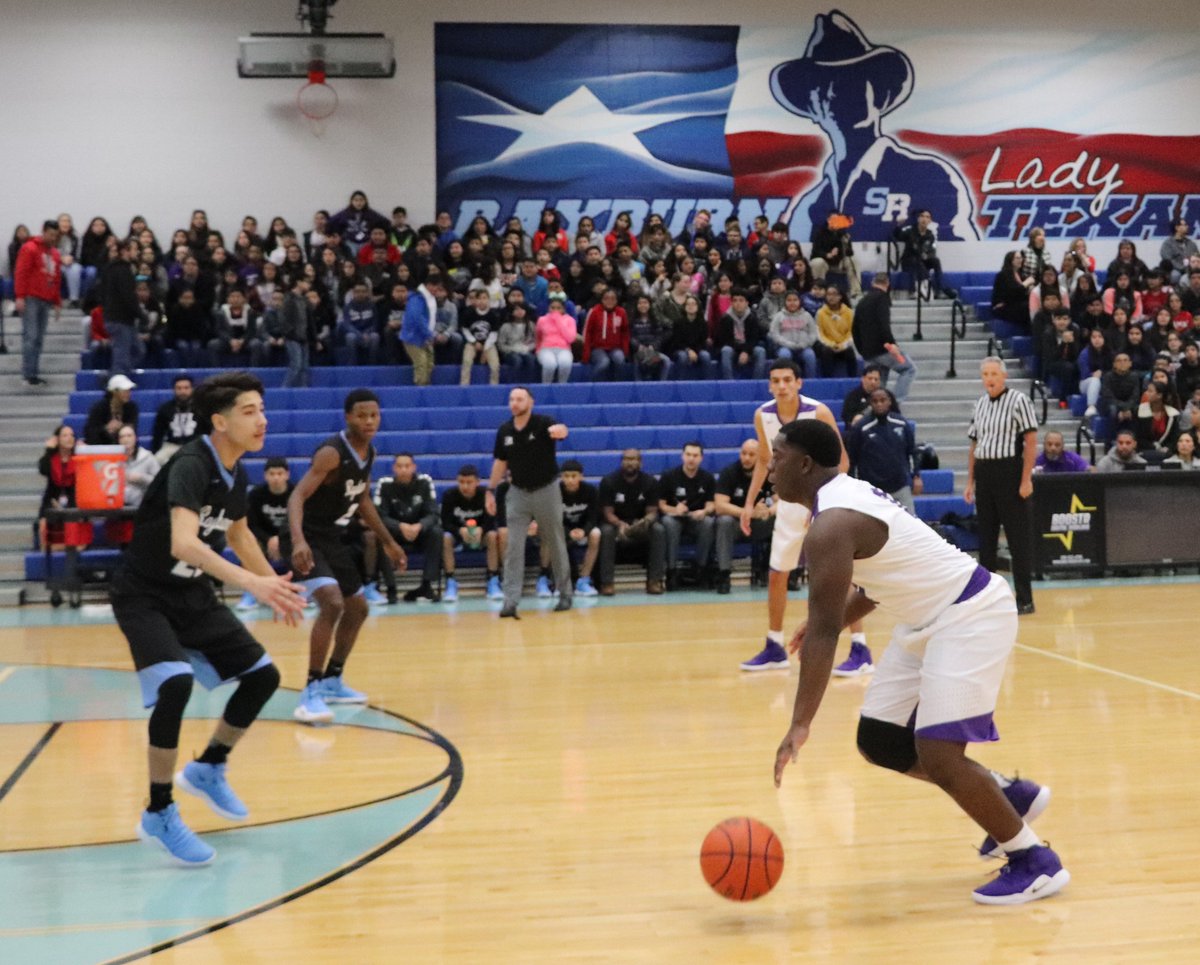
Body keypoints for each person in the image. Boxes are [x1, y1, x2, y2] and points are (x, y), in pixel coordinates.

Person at [768, 418, 1068, 906]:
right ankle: (1008, 796)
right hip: (926, 618)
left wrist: (800, 724)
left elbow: (823, 632)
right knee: (882, 739)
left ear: (804, 464)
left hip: (969, 612)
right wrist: (835, 621)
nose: (769, 467)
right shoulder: (843, 500)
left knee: (939, 754)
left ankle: (1034, 861)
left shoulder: (833, 522)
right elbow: (879, 581)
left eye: (777, 457)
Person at [110, 372, 305, 866]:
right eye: (249, 412)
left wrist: (275, 586)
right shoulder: (192, 464)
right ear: (219, 421)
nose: (262, 420)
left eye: (262, 410)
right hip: (144, 594)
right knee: (175, 683)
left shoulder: (236, 471)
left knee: (263, 676)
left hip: (190, 593)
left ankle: (209, 767)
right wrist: (252, 584)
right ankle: (159, 811)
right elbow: (183, 542)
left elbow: (238, 535)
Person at [771, 12, 977, 241]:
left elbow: (958, 247)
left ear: (879, 95)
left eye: (851, 83)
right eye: (823, 87)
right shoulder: (810, 204)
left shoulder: (929, 174)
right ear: (814, 106)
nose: (835, 94)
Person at [738, 360, 870, 675]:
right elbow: (764, 461)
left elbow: (842, 462)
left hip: (824, 503)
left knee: (840, 575)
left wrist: (822, 505)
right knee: (777, 573)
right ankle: (774, 646)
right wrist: (749, 502)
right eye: (775, 380)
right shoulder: (762, 415)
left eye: (787, 380)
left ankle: (860, 648)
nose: (781, 385)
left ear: (799, 383)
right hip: (789, 503)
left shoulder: (818, 412)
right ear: (769, 385)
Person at [288, 389, 407, 725]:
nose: (369, 421)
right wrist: (297, 541)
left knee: (358, 607)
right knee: (332, 602)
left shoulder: (369, 452)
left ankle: (332, 680)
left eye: (374, 415)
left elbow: (363, 501)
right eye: (362, 415)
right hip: (305, 537)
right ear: (348, 417)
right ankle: (310, 691)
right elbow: (297, 496)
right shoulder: (331, 453)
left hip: (330, 537)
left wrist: (389, 542)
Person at [485, 387, 572, 618]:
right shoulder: (505, 430)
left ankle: (565, 593)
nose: (514, 403)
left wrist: (562, 431)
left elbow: (562, 430)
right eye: (511, 399)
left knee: (555, 542)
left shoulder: (543, 423)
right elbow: (500, 462)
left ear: (530, 402)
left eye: (520, 399)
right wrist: (490, 490)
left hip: (546, 490)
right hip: (517, 492)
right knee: (513, 547)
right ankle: (510, 601)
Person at [964, 358, 1038, 615]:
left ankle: (1025, 599)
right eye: (985, 374)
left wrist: (1026, 479)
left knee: (1018, 540)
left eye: (994, 373)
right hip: (985, 473)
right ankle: (988, 599)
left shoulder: (1019, 400)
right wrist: (970, 481)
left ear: (1004, 376)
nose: (989, 378)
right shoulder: (980, 404)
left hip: (1009, 472)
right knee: (986, 539)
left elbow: (1031, 441)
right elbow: (974, 445)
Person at [372, 453, 442, 603]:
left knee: (436, 532)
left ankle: (427, 585)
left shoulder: (425, 482)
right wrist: (399, 526)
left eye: (407, 466)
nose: (403, 470)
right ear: (394, 468)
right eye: (399, 466)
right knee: (379, 535)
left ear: (414, 467)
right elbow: (380, 516)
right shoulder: (384, 484)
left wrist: (420, 526)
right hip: (394, 533)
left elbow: (433, 513)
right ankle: (391, 588)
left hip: (418, 532)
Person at [596, 449, 666, 595]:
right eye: (626, 459)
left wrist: (643, 522)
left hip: (640, 524)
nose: (630, 462)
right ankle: (607, 583)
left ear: (640, 462)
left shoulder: (650, 482)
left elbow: (652, 512)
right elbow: (607, 513)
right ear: (622, 462)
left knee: (658, 529)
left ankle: (654, 581)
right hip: (615, 524)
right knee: (606, 531)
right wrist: (620, 524)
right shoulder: (609, 481)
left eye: (634, 459)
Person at [714, 438, 775, 593]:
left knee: (783, 518)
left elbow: (783, 501)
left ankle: (782, 572)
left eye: (751, 454)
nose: (746, 458)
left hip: (760, 524)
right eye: (743, 453)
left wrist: (768, 511)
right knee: (724, 521)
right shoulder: (729, 472)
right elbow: (720, 506)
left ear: (760, 456)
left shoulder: (769, 473)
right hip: (737, 525)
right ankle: (724, 575)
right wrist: (749, 513)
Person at [845, 389, 922, 512]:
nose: (879, 404)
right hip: (872, 490)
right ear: (870, 403)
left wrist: (916, 476)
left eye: (882, 400)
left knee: (909, 521)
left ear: (889, 401)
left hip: (900, 487)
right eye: (875, 401)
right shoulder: (861, 428)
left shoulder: (901, 423)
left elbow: (912, 451)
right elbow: (852, 459)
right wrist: (853, 485)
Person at [658, 442, 717, 590]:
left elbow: (712, 504)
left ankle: (701, 569)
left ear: (701, 458)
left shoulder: (708, 478)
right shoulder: (669, 476)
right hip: (675, 517)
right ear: (682, 456)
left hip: (696, 518)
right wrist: (675, 509)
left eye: (695, 455)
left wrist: (704, 512)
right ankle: (671, 571)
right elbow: (661, 505)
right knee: (669, 523)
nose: (691, 459)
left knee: (708, 523)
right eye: (688, 455)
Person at [240, 456, 295, 609]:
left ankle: (304, 589)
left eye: (280, 473)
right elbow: (251, 525)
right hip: (264, 538)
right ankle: (250, 593)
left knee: (306, 544)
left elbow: (300, 523)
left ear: (287, 475)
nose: (276, 477)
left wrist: (281, 539)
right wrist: (269, 539)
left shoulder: (295, 493)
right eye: (272, 474)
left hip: (289, 538)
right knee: (247, 544)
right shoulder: (255, 495)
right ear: (265, 476)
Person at [440, 464, 499, 603]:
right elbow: (445, 523)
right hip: (458, 535)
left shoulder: (485, 495)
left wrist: (481, 529)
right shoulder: (449, 495)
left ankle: (493, 579)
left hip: (480, 535)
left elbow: (492, 520)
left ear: (477, 482)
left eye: (469, 482)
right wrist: (459, 530)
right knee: (446, 538)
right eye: (461, 482)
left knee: (492, 536)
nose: (465, 486)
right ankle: (450, 581)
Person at [853, 273, 916, 401]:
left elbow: (854, 329)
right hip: (883, 349)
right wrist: (892, 344)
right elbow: (884, 324)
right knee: (908, 369)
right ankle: (895, 403)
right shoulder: (882, 298)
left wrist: (862, 350)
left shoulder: (862, 301)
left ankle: (875, 407)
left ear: (872, 283)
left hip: (868, 351)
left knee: (878, 384)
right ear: (887, 284)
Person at [14, 219, 62, 387]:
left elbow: (56, 278)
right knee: (31, 336)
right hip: (31, 297)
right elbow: (21, 272)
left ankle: (34, 373)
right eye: (51, 234)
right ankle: (28, 373)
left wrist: (57, 301)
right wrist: (20, 296)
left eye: (56, 236)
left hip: (46, 299)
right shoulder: (30, 248)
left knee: (39, 338)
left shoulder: (55, 254)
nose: (53, 238)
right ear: (43, 231)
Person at [543, 459, 600, 597]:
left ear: (581, 476)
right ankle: (560, 582)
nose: (570, 480)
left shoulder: (591, 491)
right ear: (561, 477)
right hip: (563, 528)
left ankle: (583, 580)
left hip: (583, 528)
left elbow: (594, 517)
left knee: (596, 534)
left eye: (574, 476)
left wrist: (584, 531)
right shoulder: (554, 492)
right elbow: (553, 519)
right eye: (566, 476)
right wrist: (568, 532)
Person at [102, 237, 142, 378]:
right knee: (122, 355)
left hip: (122, 318)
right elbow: (128, 296)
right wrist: (140, 314)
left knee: (138, 350)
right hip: (119, 319)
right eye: (135, 249)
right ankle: (116, 380)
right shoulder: (121, 270)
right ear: (125, 251)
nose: (137, 252)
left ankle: (117, 376)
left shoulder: (115, 268)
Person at [893, 209, 953, 298]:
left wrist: (927, 255)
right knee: (915, 261)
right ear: (918, 219)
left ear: (930, 221)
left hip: (923, 261)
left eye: (927, 217)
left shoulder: (930, 235)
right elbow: (898, 236)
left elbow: (932, 250)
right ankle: (918, 290)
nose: (924, 219)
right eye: (922, 216)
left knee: (936, 261)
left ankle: (940, 290)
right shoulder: (910, 231)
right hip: (909, 261)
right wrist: (898, 225)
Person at [38, 424, 78, 551]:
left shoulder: (79, 458)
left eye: (72, 435)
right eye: (65, 435)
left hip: (74, 504)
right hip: (51, 502)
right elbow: (43, 470)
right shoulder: (51, 458)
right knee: (44, 523)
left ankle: (68, 548)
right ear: (57, 439)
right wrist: (48, 450)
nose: (69, 438)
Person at [808, 210, 862, 298]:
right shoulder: (820, 233)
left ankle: (856, 292)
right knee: (817, 262)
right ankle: (819, 291)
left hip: (839, 263)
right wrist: (827, 255)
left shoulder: (843, 233)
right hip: (824, 262)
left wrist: (846, 244)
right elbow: (815, 251)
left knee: (853, 260)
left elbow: (850, 253)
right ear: (828, 220)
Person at [582, 288, 629, 381]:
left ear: (616, 300)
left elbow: (625, 333)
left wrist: (625, 351)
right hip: (597, 348)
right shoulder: (594, 311)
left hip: (615, 348)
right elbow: (587, 333)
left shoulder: (621, 312)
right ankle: (592, 384)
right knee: (604, 363)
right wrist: (586, 354)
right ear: (602, 299)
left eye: (612, 298)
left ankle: (616, 385)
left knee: (620, 359)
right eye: (606, 298)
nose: (609, 301)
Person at [151, 375, 200, 464]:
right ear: (174, 390)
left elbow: (207, 431)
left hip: (195, 445)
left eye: (186, 388)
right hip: (172, 445)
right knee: (157, 460)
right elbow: (158, 434)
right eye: (179, 388)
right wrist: (155, 451)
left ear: (192, 389)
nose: (183, 391)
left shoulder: (200, 407)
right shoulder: (165, 408)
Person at [84, 374, 139, 446]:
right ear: (114, 392)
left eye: (129, 390)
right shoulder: (99, 408)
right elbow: (90, 432)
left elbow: (133, 427)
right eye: (124, 391)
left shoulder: (131, 408)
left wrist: (122, 427)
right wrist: (105, 429)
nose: (128, 393)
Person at [535, 292, 577, 383]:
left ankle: (562, 385)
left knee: (565, 363)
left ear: (563, 309)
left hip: (564, 349)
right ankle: (546, 386)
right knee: (550, 365)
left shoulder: (570, 320)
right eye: (552, 308)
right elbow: (538, 336)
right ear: (548, 308)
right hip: (546, 349)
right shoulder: (542, 320)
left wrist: (559, 321)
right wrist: (538, 350)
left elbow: (571, 338)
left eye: (558, 308)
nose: (555, 310)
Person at [118, 424, 159, 509]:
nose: (126, 439)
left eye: (129, 436)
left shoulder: (147, 457)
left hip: (142, 502)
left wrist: (141, 478)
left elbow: (159, 482)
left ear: (135, 438)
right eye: (122, 437)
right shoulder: (114, 459)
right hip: (118, 501)